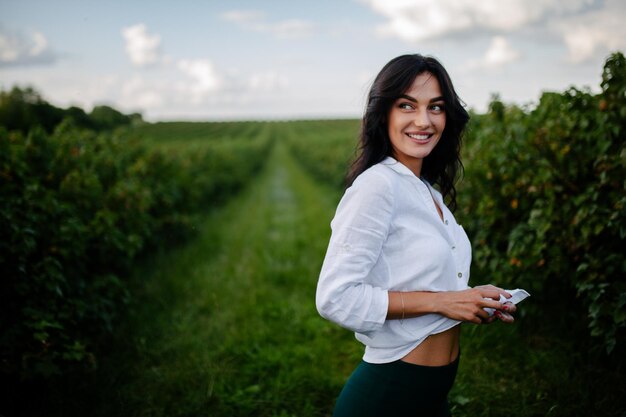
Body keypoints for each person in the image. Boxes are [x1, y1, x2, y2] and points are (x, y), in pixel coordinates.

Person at [315, 54, 517, 416]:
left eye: (436, 107)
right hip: (388, 395)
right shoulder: (377, 186)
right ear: (384, 114)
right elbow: (335, 298)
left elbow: (424, 281)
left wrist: (471, 299)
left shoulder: (426, 190)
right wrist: (443, 302)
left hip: (430, 396)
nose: (424, 121)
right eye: (407, 105)